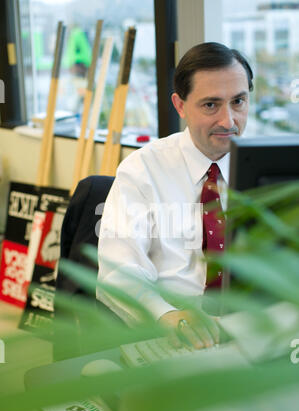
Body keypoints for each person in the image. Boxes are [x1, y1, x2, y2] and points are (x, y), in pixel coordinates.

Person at [97, 42, 253, 349]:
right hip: (173, 330)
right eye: (211, 105)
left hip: (254, 327)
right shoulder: (142, 170)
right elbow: (119, 270)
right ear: (180, 105)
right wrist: (166, 316)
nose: (229, 121)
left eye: (238, 101)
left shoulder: (270, 168)